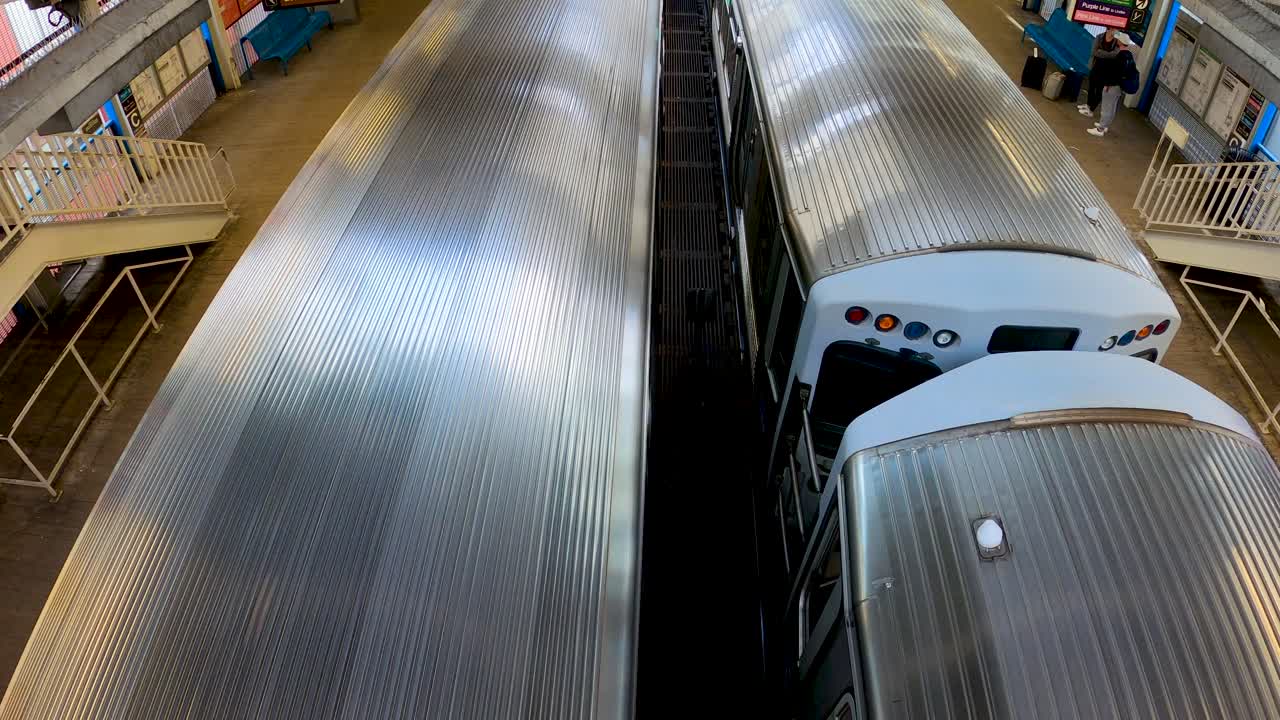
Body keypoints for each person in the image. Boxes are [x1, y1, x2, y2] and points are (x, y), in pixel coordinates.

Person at [1088, 45, 1141, 137]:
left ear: (1120, 43)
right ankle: (1105, 125)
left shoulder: (1120, 56)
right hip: (1120, 87)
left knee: (1106, 107)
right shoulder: (1129, 55)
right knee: (1112, 107)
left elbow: (1115, 73)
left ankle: (1100, 129)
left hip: (1113, 86)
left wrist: (1108, 84)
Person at [1078, 28, 1122, 118]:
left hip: (1106, 70)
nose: (1116, 32)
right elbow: (1094, 52)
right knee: (1091, 86)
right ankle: (1088, 105)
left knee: (1099, 90)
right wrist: (1107, 54)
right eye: (1115, 30)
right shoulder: (1099, 37)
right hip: (1096, 66)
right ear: (1109, 29)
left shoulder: (1117, 41)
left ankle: (1091, 110)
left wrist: (1101, 52)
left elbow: (1115, 54)